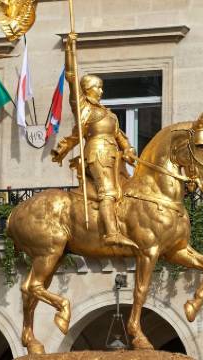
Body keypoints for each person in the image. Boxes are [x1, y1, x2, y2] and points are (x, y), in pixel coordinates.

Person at [51, 33, 137, 250]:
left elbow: (120, 136)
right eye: (98, 87)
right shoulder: (83, 107)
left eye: (101, 87)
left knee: (124, 191)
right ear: (88, 89)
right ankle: (111, 233)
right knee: (107, 191)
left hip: (114, 155)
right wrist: (70, 48)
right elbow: (71, 76)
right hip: (97, 153)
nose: (102, 90)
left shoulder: (108, 113)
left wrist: (128, 149)